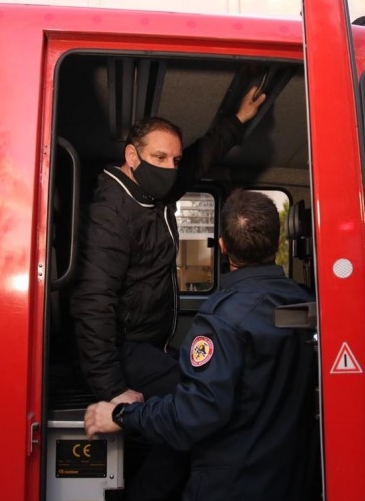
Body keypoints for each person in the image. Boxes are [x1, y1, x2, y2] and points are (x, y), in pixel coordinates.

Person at [84, 189, 318, 501]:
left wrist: (121, 416)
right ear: (278, 244)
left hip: (232, 485)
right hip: (292, 480)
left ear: (222, 246)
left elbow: (192, 416)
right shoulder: (310, 306)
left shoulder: (222, 319)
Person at [69, 86, 266, 406]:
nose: (170, 168)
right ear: (132, 156)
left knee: (212, 377)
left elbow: (201, 158)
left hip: (148, 345)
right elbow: (93, 303)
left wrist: (240, 119)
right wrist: (112, 389)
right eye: (159, 157)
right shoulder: (111, 214)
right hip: (119, 351)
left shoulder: (152, 193)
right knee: (201, 400)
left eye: (174, 160)